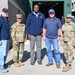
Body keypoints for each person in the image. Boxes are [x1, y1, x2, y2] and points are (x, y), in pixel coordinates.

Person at [0, 8, 10, 73]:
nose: (5, 13)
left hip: (7, 38)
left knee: (6, 53)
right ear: (2, 12)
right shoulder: (0, 20)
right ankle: (1, 66)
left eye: (6, 12)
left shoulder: (7, 19)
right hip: (3, 39)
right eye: (4, 12)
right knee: (2, 53)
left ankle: (4, 63)